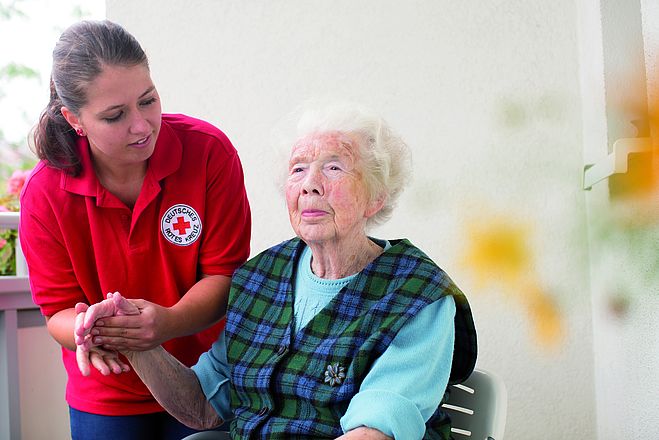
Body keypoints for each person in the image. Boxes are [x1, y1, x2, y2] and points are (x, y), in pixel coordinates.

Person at [77, 103, 477, 439]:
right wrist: (135, 341)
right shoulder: (260, 279)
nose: (310, 185)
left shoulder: (418, 294)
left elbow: (373, 431)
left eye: (334, 168)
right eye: (298, 169)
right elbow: (202, 405)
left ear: (376, 197)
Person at [18, 20, 251, 440]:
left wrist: (167, 322)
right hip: (107, 398)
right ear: (75, 119)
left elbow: (225, 277)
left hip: (208, 384)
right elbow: (57, 312)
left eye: (148, 101)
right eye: (115, 115)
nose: (142, 125)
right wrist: (91, 329)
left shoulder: (208, 153)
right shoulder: (44, 192)